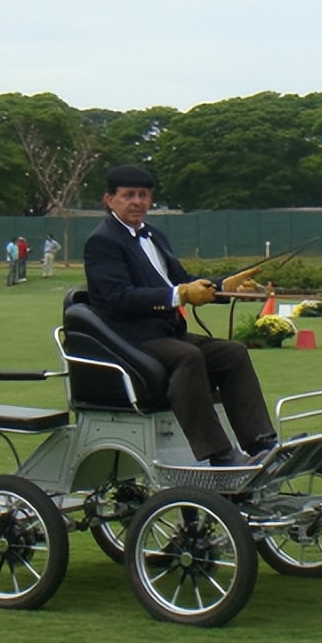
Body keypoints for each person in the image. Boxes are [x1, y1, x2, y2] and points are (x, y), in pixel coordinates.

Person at [83, 165, 276, 468]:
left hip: (166, 332)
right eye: (128, 195)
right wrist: (180, 295)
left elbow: (182, 279)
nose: (137, 201)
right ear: (110, 200)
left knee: (233, 353)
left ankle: (262, 442)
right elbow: (116, 298)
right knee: (187, 356)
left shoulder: (155, 236)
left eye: (144, 195)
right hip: (129, 337)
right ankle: (221, 454)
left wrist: (224, 287)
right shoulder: (102, 241)